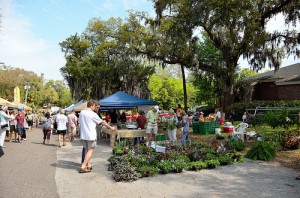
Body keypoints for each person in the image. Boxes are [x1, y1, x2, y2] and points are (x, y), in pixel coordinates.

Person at [79, 100, 116, 173]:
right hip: (90, 135)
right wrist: (111, 128)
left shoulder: (82, 112)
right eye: (95, 106)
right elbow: (102, 122)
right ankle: (83, 166)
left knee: (87, 150)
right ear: (92, 105)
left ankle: (88, 165)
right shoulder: (92, 114)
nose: (96, 108)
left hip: (83, 135)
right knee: (90, 150)